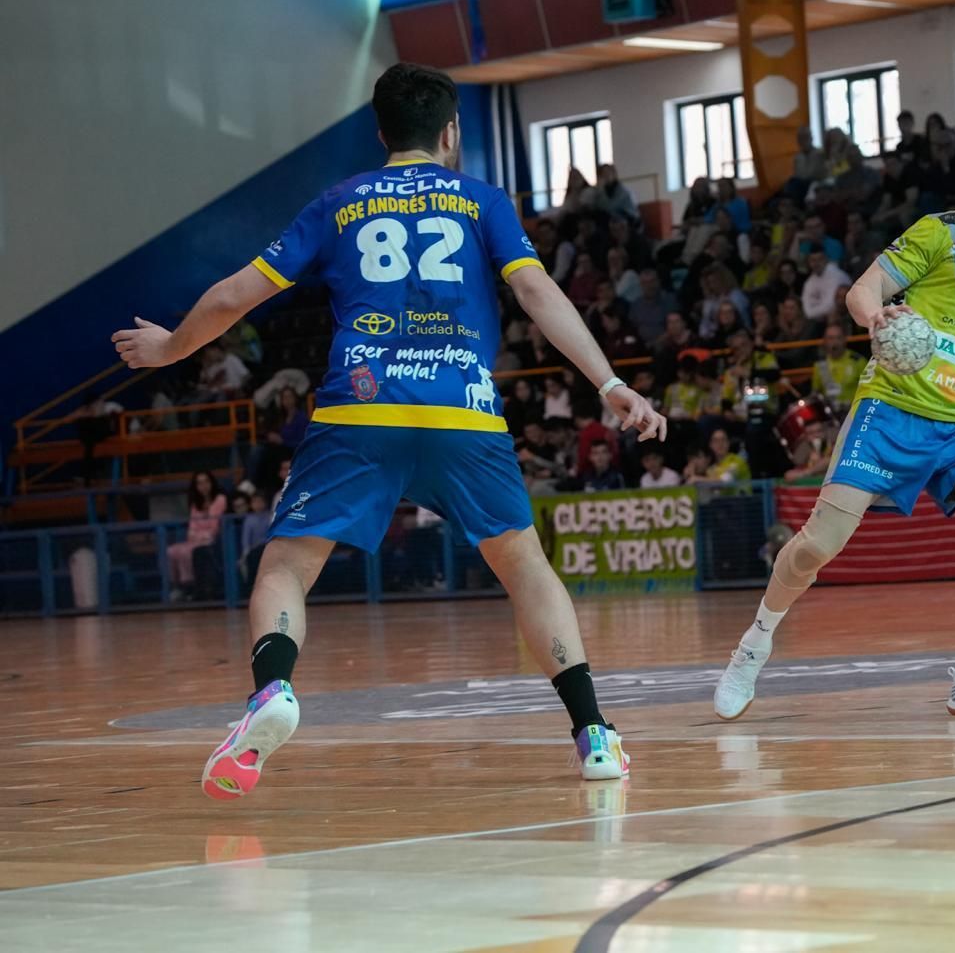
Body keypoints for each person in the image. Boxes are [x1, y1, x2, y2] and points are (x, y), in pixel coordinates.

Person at [113, 63, 666, 799]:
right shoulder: (480, 200)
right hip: (461, 410)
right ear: (450, 133)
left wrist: (170, 348)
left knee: (286, 564)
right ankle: (593, 734)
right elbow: (535, 290)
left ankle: (272, 691)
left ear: (381, 133)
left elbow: (233, 295)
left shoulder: (338, 203)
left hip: (359, 410)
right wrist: (610, 382)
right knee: (526, 568)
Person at [711, 123, 955, 722]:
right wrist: (877, 319)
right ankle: (754, 643)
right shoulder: (945, 232)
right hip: (893, 407)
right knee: (820, 543)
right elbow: (863, 290)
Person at [166, 470, 227, 602]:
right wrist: (196, 535)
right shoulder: (195, 504)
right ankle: (176, 586)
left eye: (206, 482)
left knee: (188, 552)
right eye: (199, 483)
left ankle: (189, 586)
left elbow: (214, 527)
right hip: (195, 540)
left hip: (213, 541)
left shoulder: (220, 500)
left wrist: (200, 535)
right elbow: (192, 528)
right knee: (171, 551)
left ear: (212, 483)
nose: (203, 486)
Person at [809, 322, 867, 413]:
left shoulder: (858, 361)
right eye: (831, 338)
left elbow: (868, 391)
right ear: (825, 341)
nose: (835, 342)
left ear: (844, 339)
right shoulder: (820, 365)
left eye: (838, 338)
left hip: (854, 412)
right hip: (831, 415)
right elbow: (815, 394)